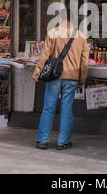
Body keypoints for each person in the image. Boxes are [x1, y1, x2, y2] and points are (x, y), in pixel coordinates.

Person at [33, 10, 88, 150]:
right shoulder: (81, 36)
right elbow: (84, 62)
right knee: (66, 109)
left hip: (54, 77)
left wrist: (37, 72)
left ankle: (42, 140)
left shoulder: (53, 32)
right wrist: (82, 78)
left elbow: (44, 55)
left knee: (48, 108)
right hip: (71, 77)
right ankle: (62, 142)